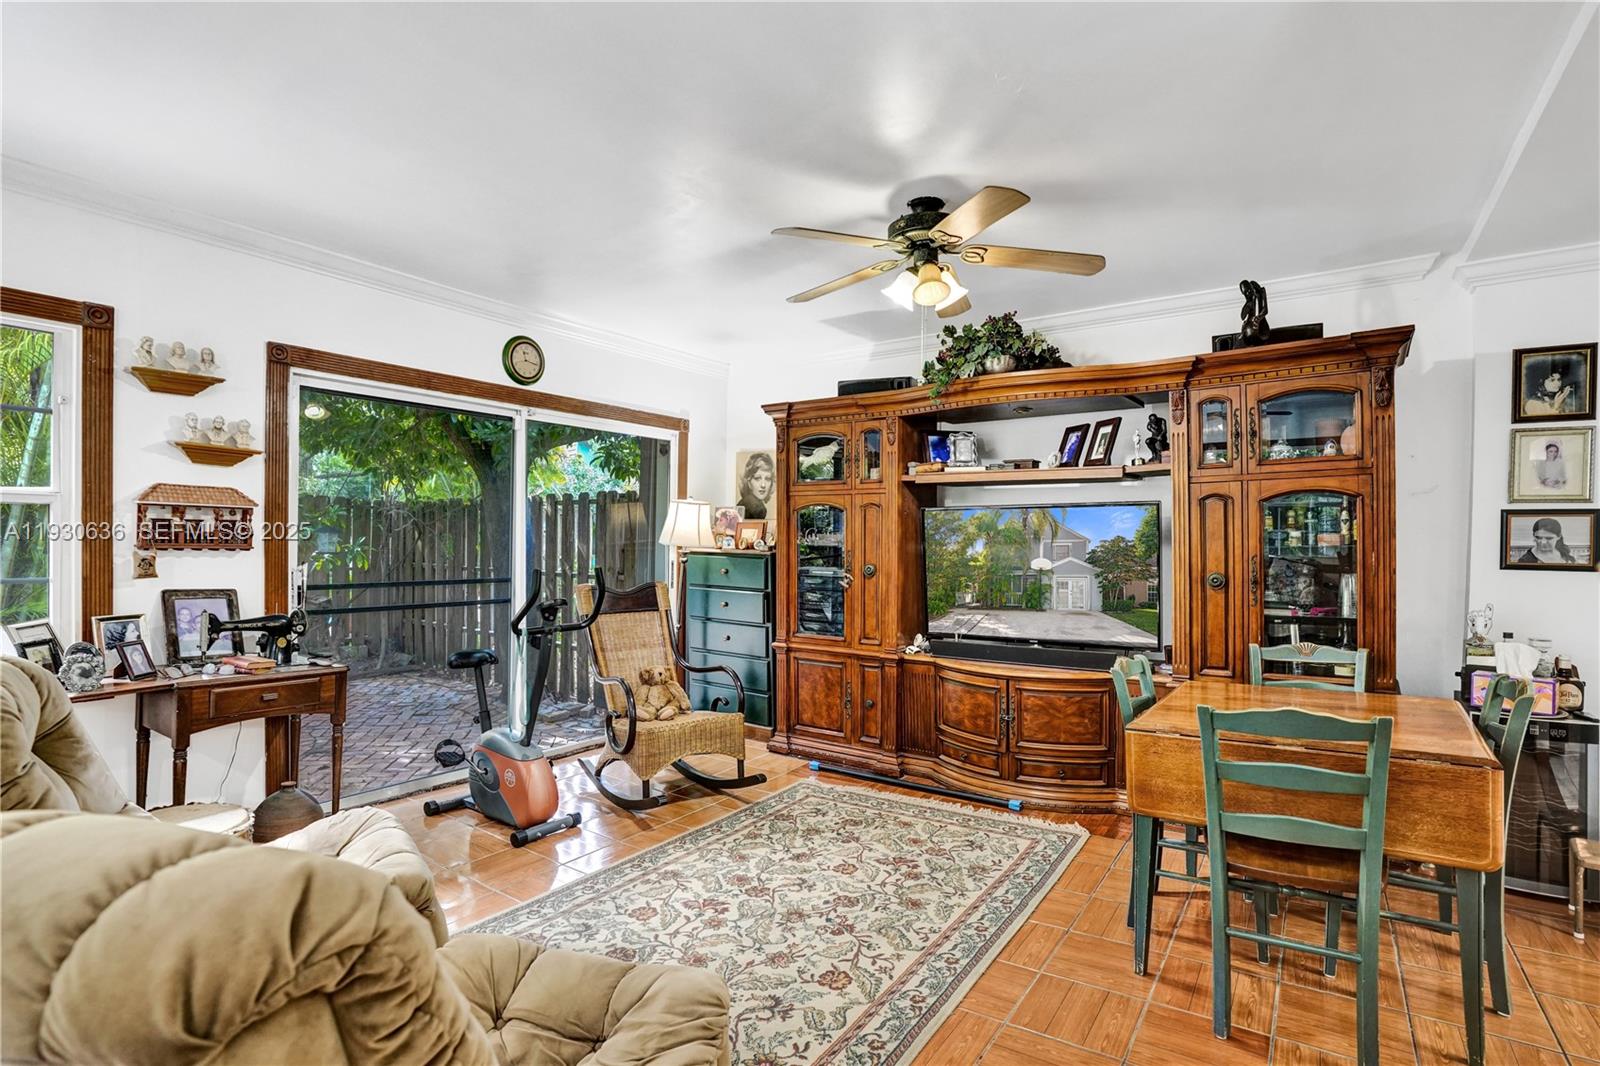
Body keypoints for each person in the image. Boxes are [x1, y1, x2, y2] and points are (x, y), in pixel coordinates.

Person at [738, 452, 775, 520]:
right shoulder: (757, 507)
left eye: (767, 479)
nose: (763, 485)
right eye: (757, 478)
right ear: (749, 482)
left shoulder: (744, 502)